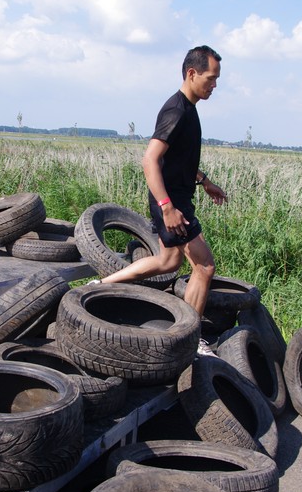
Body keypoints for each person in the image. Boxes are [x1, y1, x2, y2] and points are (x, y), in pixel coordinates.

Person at [94, 45, 228, 356]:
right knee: (205, 267)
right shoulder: (176, 110)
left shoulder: (189, 108)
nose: (214, 85)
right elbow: (150, 159)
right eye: (211, 78)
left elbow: (178, 159)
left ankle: (102, 286)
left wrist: (204, 181)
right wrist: (167, 207)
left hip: (176, 199)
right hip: (172, 203)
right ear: (192, 73)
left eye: (217, 79)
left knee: (168, 262)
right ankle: (188, 338)